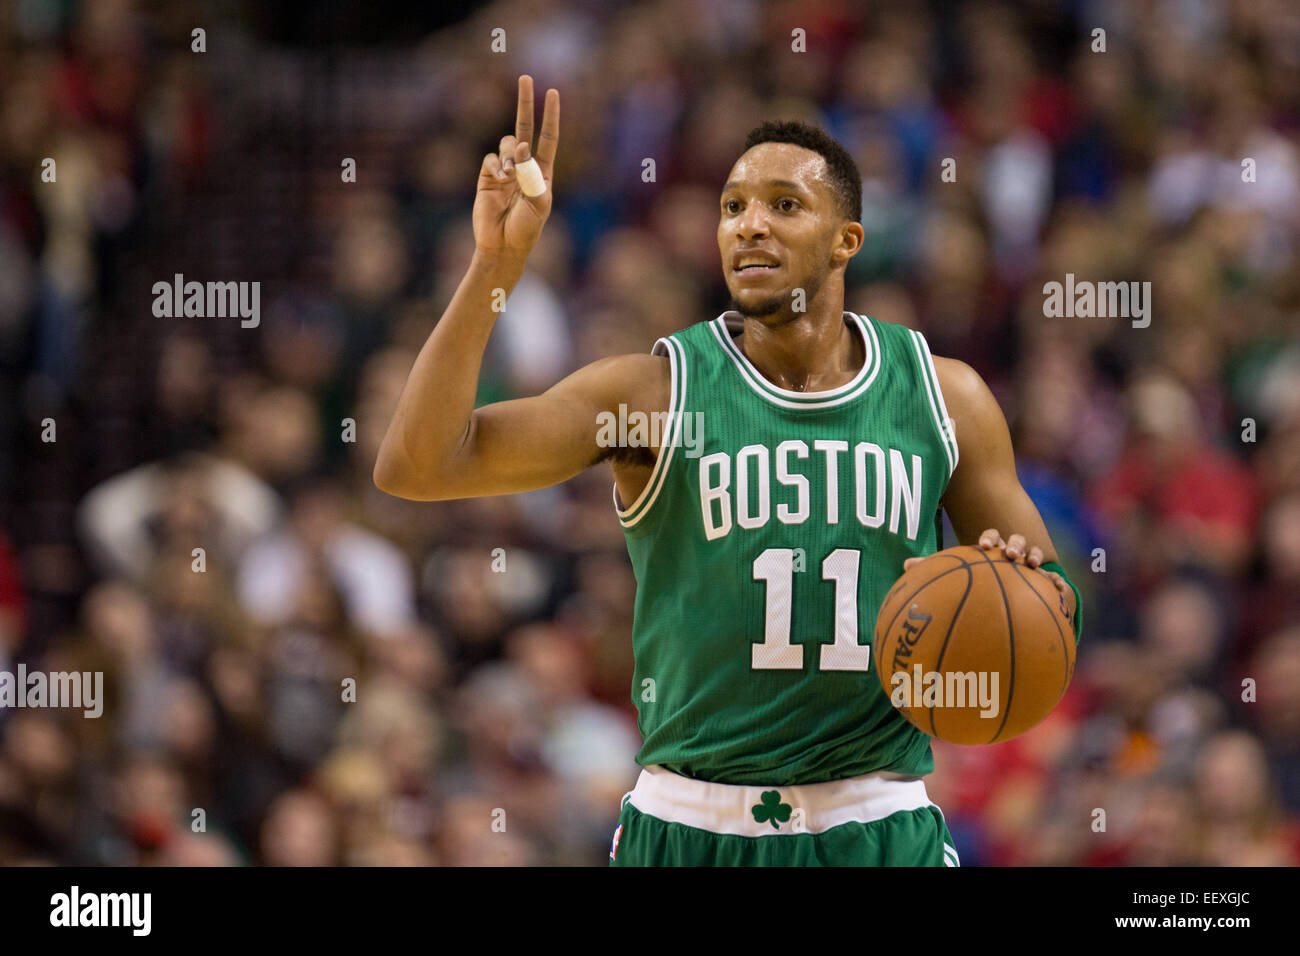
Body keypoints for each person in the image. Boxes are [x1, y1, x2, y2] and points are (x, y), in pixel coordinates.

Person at [374, 75, 1082, 866]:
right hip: (688, 825)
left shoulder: (941, 395)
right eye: (733, 206)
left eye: (784, 205)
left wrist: (1024, 590)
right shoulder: (654, 393)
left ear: (846, 239)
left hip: (875, 821)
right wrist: (494, 266)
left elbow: (1054, 611)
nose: (749, 226)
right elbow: (420, 464)